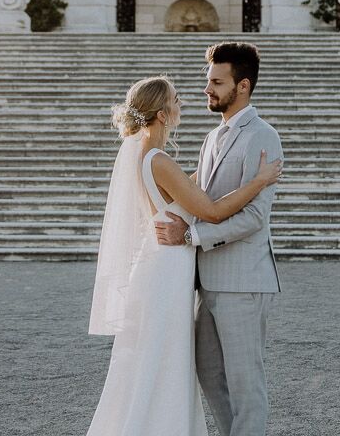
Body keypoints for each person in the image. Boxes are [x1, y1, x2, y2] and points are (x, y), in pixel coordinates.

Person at [86, 74, 282, 436]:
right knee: (166, 357)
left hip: (164, 264)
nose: (183, 103)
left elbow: (190, 187)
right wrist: (258, 181)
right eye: (176, 99)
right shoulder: (158, 159)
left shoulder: (148, 155)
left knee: (157, 356)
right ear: (162, 114)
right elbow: (210, 211)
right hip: (168, 265)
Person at [155, 42, 284, 436]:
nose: (206, 90)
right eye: (207, 81)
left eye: (216, 82)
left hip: (243, 281)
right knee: (210, 375)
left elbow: (254, 217)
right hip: (205, 280)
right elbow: (199, 195)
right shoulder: (213, 137)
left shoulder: (262, 136)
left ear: (242, 86)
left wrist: (191, 235)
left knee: (246, 385)